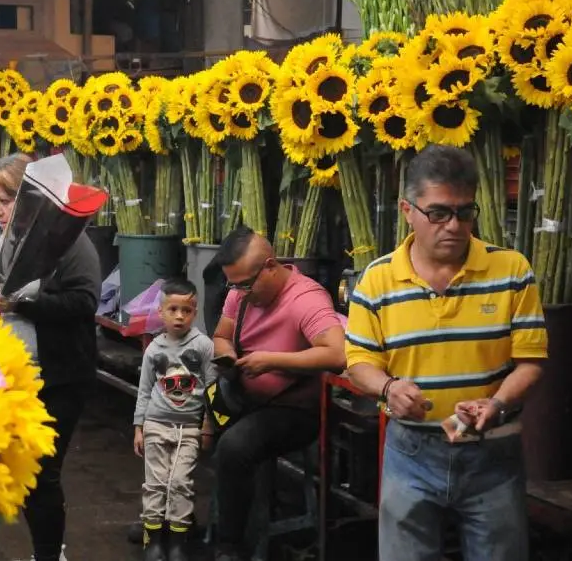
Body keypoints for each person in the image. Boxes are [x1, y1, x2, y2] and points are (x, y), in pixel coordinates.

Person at [344, 145, 548, 561]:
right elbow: (359, 363)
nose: (454, 225)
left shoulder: (511, 271)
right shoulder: (377, 280)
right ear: (407, 210)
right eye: (438, 213)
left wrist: (498, 402)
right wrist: (388, 387)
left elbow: (531, 361)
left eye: (464, 212)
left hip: (492, 452)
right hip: (410, 454)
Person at [0, 153, 102, 561]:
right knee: (21, 472)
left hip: (58, 377)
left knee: (42, 472)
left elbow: (84, 302)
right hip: (8, 378)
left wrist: (20, 305)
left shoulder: (67, 241)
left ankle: (49, 555)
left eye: (6, 200)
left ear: (30, 199)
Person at [210, 225, 346, 561]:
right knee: (179, 417)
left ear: (270, 266)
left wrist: (271, 361)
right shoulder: (239, 291)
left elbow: (337, 354)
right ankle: (171, 519)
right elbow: (221, 335)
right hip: (244, 395)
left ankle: (229, 545)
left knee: (234, 447)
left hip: (292, 409)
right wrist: (227, 356)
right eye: (233, 284)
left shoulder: (306, 299)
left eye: (245, 284)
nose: (239, 292)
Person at [133, 279, 216, 561]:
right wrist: (138, 428)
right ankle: (153, 539)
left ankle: (178, 541)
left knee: (180, 482)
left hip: (189, 428)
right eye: (173, 309)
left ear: (195, 311)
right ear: (161, 311)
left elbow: (212, 389)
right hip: (156, 424)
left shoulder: (204, 346)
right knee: (155, 483)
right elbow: (144, 390)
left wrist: (207, 427)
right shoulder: (154, 349)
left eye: (187, 310)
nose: (180, 316)